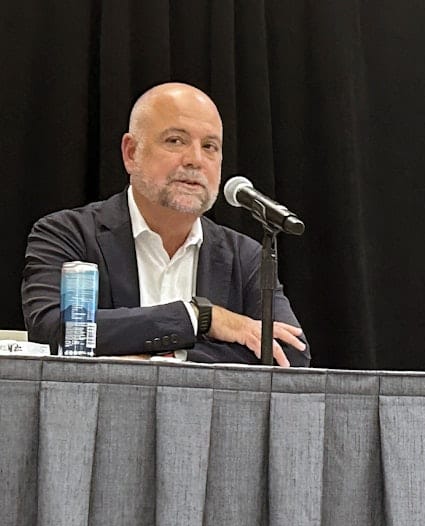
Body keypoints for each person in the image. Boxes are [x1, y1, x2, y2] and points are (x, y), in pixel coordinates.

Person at [22, 82, 309, 367]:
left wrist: (168, 357)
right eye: (175, 141)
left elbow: (291, 353)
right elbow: (51, 329)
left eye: (209, 146)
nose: (195, 160)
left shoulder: (245, 257)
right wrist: (199, 317)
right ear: (131, 153)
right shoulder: (68, 235)